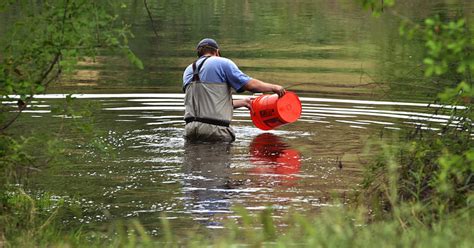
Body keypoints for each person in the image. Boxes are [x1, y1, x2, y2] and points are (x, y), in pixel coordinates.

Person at [182, 38, 286, 142]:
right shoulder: (222, 63)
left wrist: (244, 102)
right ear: (217, 52)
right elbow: (250, 85)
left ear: (199, 53)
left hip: (190, 130)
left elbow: (209, 106)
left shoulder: (188, 70)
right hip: (215, 131)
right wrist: (274, 87)